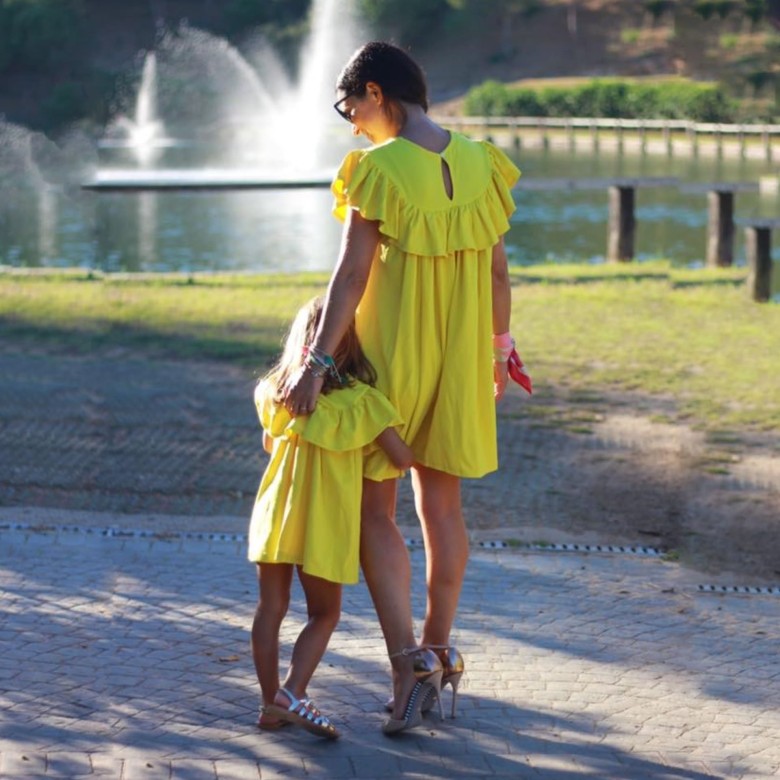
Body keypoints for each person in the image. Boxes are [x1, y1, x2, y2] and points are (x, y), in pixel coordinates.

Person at [282, 41, 521, 735]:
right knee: (442, 510)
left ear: (378, 93)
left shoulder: (376, 168)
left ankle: (405, 662)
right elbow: (500, 276)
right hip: (460, 361)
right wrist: (499, 353)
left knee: (375, 515)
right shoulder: (482, 162)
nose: (352, 123)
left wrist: (317, 364)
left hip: (390, 363)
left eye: (350, 106)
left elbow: (351, 277)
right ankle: (442, 649)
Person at [249, 295, 415, 739]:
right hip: (323, 525)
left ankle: (269, 704)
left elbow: (271, 443)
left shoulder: (272, 392)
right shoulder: (362, 405)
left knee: (270, 608)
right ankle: (294, 691)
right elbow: (402, 460)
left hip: (275, 518)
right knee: (324, 614)